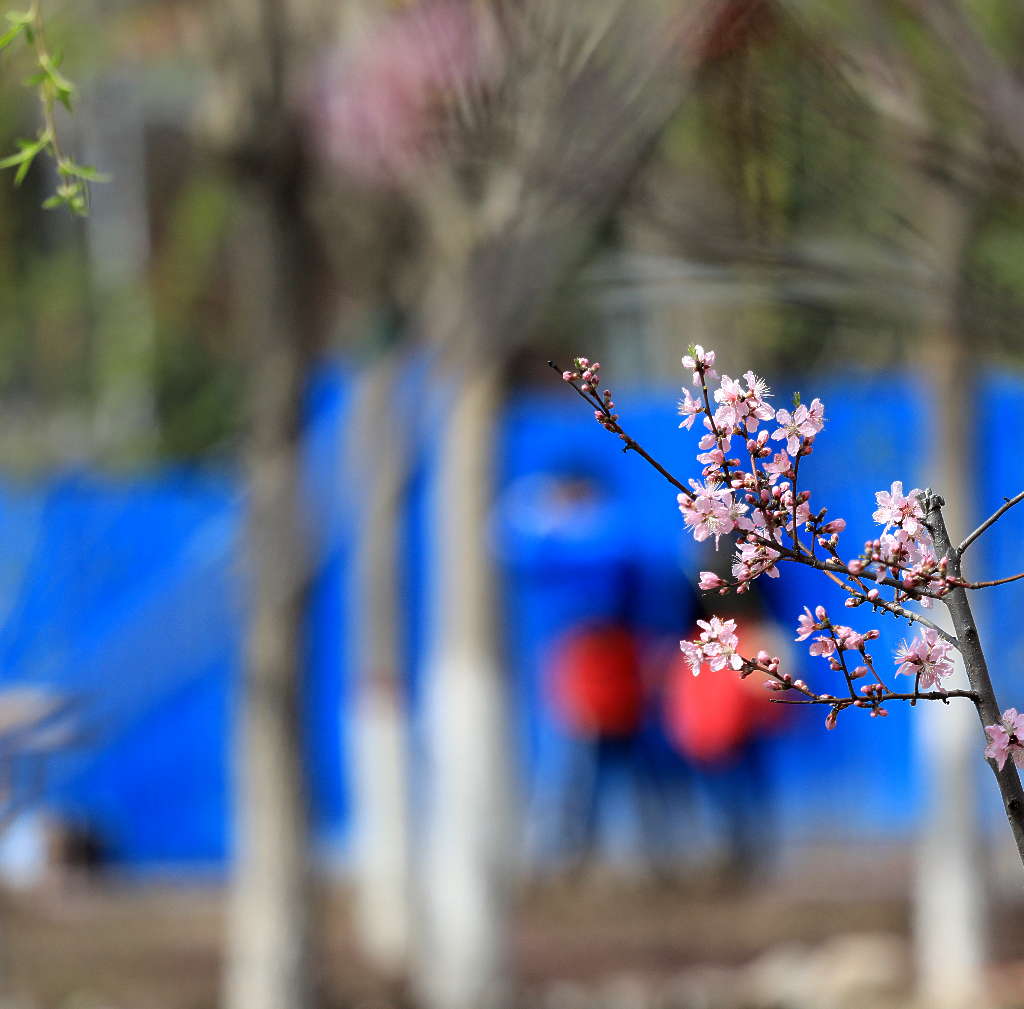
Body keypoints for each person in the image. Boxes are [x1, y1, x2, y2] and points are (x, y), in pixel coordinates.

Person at [662, 588, 790, 881]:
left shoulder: (735, 638)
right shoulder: (729, 639)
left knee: (734, 797)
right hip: (727, 733)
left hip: (728, 733)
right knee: (737, 797)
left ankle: (743, 855)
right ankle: (740, 854)